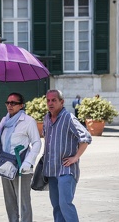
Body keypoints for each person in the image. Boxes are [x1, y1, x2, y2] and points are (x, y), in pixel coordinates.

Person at [0, 92, 42, 222]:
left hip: (21, 166)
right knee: (9, 201)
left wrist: (28, 162)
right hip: (5, 164)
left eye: (13, 103)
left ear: (21, 105)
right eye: (8, 102)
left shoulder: (28, 121)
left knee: (23, 201)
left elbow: (37, 142)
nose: (9, 105)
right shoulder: (5, 120)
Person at [43, 90, 92, 222]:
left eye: (54, 100)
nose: (50, 103)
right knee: (57, 206)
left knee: (65, 204)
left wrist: (75, 157)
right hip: (52, 170)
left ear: (62, 102)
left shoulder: (68, 117)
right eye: (48, 100)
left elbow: (86, 137)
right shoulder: (46, 119)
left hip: (66, 170)